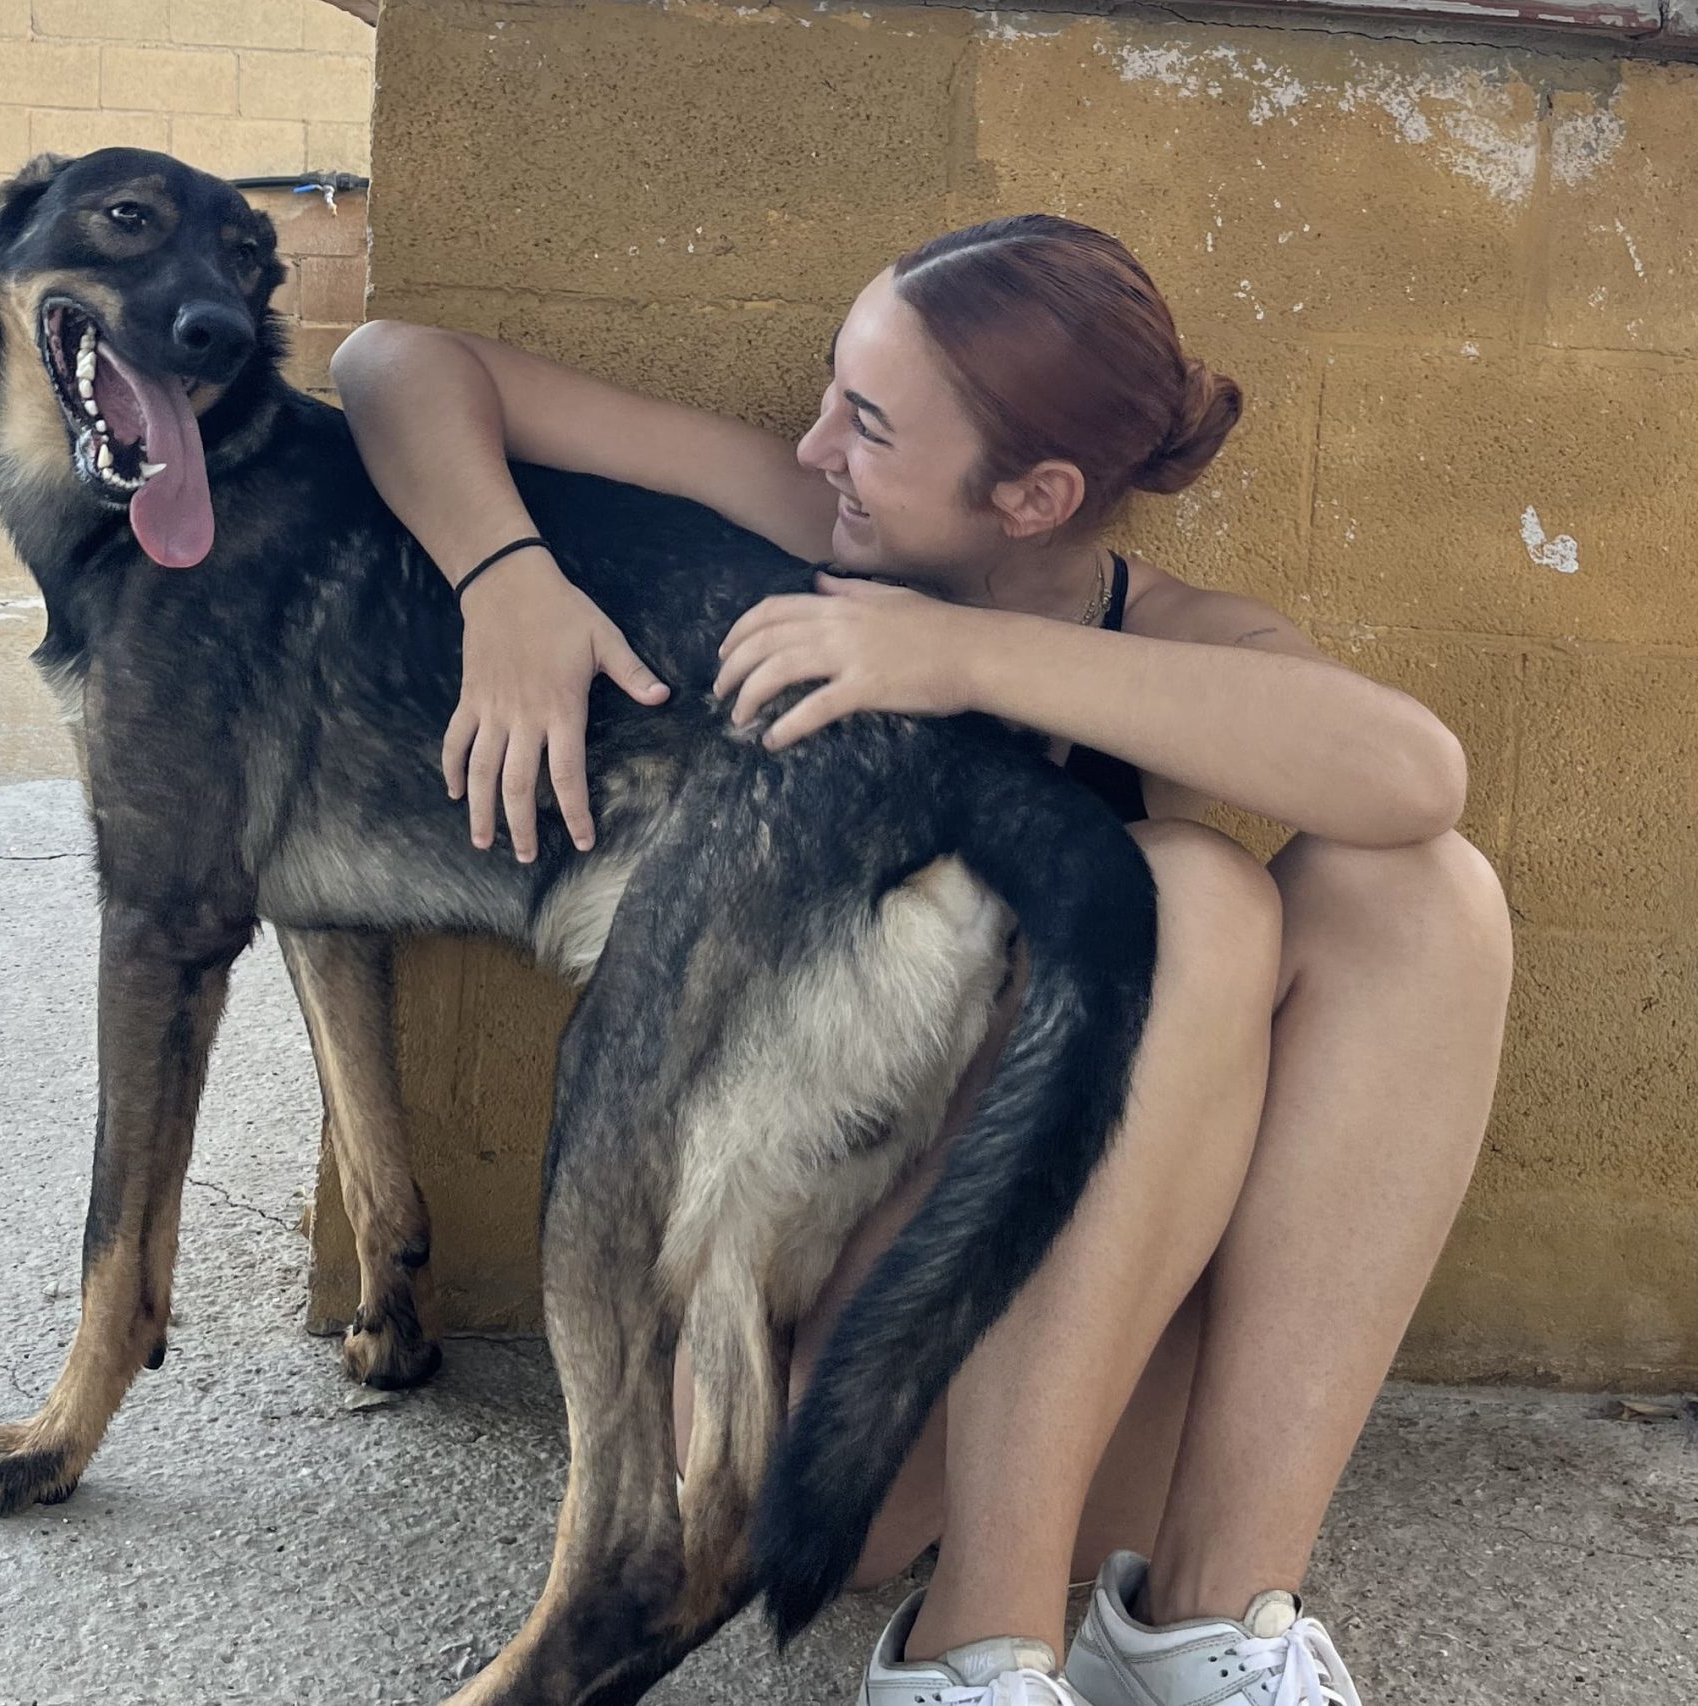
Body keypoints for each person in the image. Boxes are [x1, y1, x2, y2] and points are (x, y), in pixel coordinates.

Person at [330, 214, 1513, 1706]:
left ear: (1035, 496)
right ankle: (977, 1648)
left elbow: (1414, 776)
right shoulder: (806, 518)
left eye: (869, 422)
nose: (815, 441)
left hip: (1077, 1385)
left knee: (1421, 896)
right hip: (818, 1421)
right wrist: (502, 576)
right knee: (1189, 895)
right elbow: (391, 363)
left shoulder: (1164, 634)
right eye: (835, 387)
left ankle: (1212, 1626)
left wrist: (956, 658)